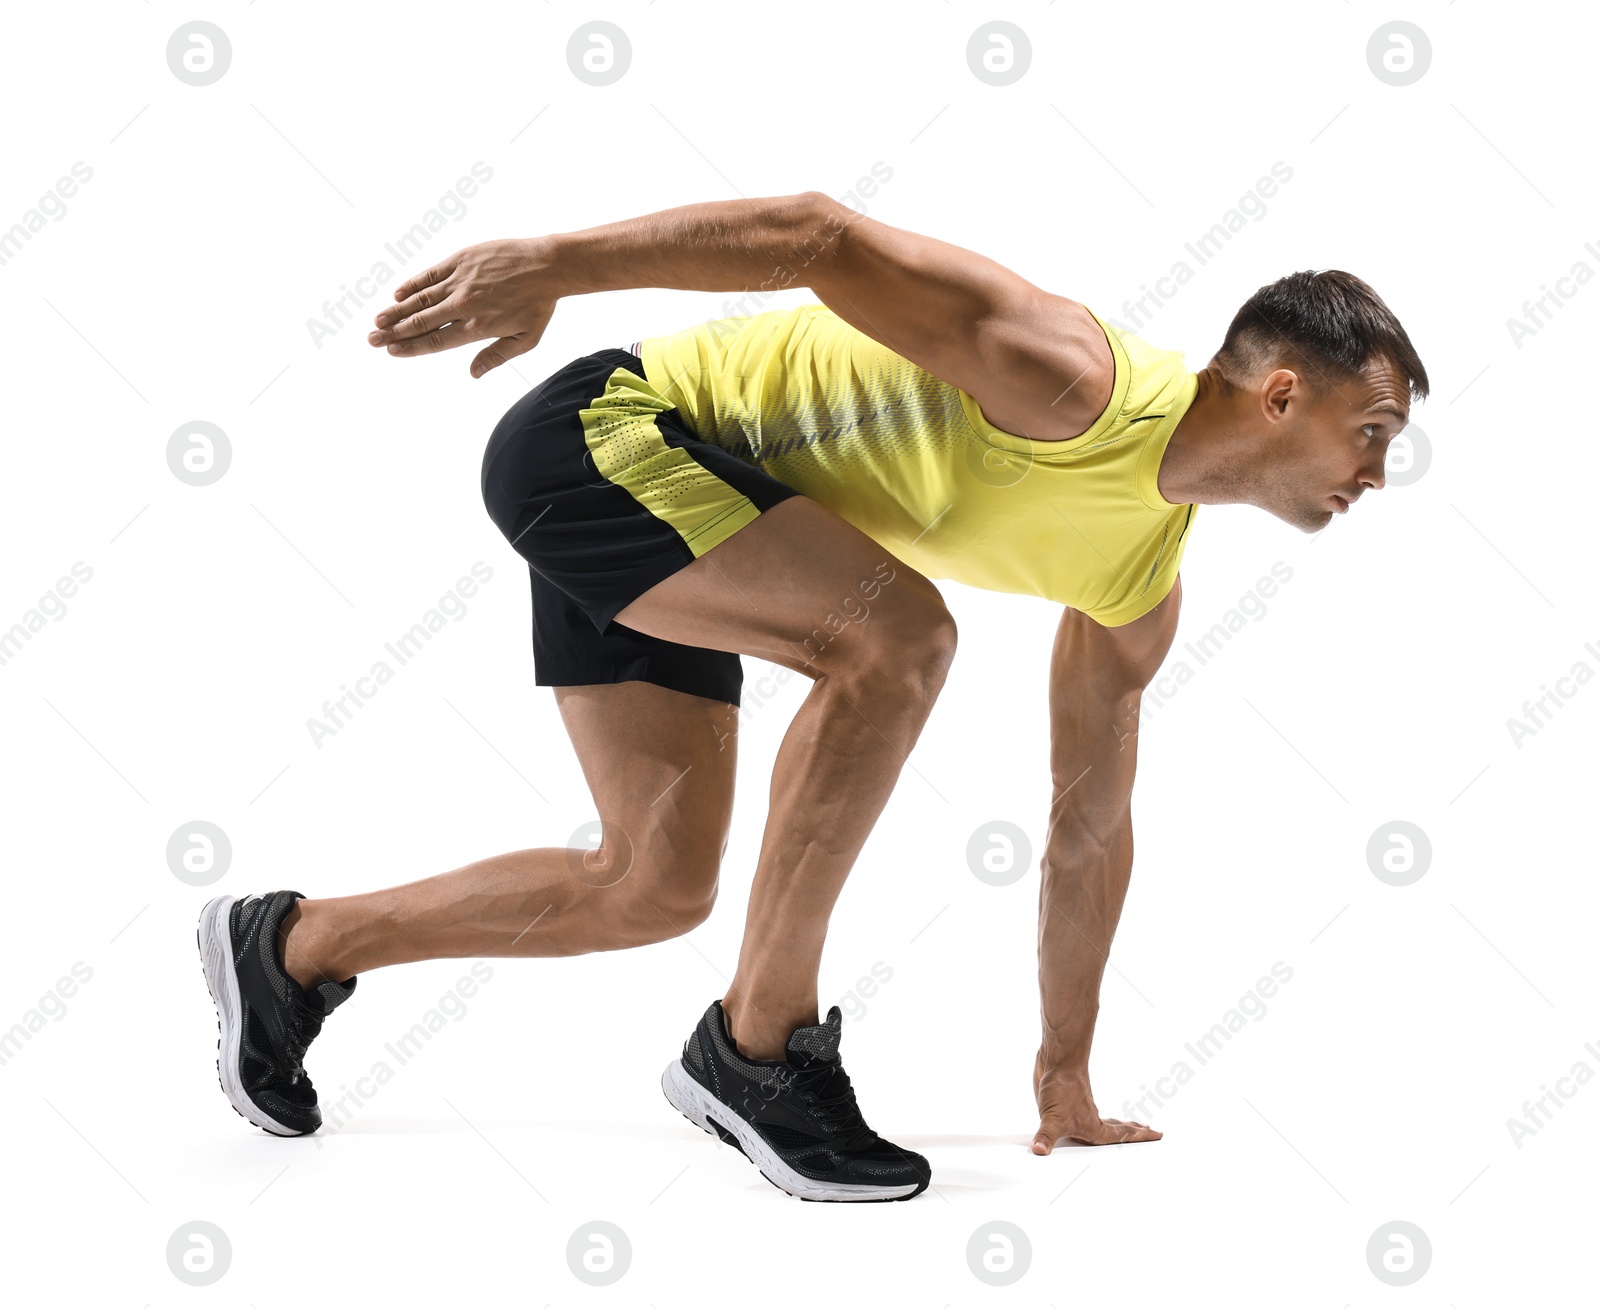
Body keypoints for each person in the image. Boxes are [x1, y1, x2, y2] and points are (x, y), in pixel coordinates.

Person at [197, 191, 1427, 1202]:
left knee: (652, 886)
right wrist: (554, 261)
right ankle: (757, 1050)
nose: (1374, 473)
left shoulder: (1135, 588)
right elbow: (817, 236)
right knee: (894, 639)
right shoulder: (1065, 376)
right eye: (1369, 431)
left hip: (700, 523)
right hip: (608, 433)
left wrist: (1063, 1079)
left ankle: (295, 945)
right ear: (1280, 396)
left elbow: (1088, 825)